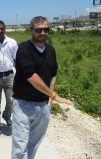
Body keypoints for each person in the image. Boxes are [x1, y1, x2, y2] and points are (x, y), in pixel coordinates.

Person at [11, 16, 72, 159]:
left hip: (43, 105)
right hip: (23, 105)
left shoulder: (51, 50)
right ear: (31, 31)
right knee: (20, 146)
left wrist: (50, 100)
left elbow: (53, 74)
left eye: (46, 29)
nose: (43, 33)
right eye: (39, 30)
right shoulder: (24, 49)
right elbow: (31, 76)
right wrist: (53, 95)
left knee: (34, 143)